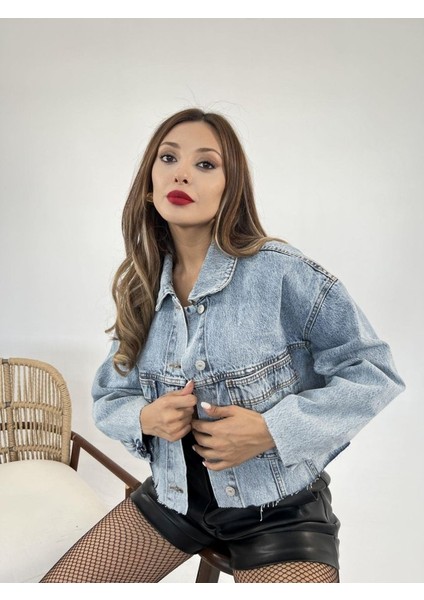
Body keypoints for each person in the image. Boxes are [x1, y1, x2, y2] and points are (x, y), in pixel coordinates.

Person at [40, 107, 405, 583]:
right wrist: (146, 419)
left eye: (205, 164)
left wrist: (272, 430)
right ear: (149, 185)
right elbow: (111, 396)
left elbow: (373, 371)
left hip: (279, 510)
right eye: (168, 158)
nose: (182, 174)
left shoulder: (279, 271)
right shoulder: (141, 287)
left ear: (230, 188)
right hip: (174, 499)